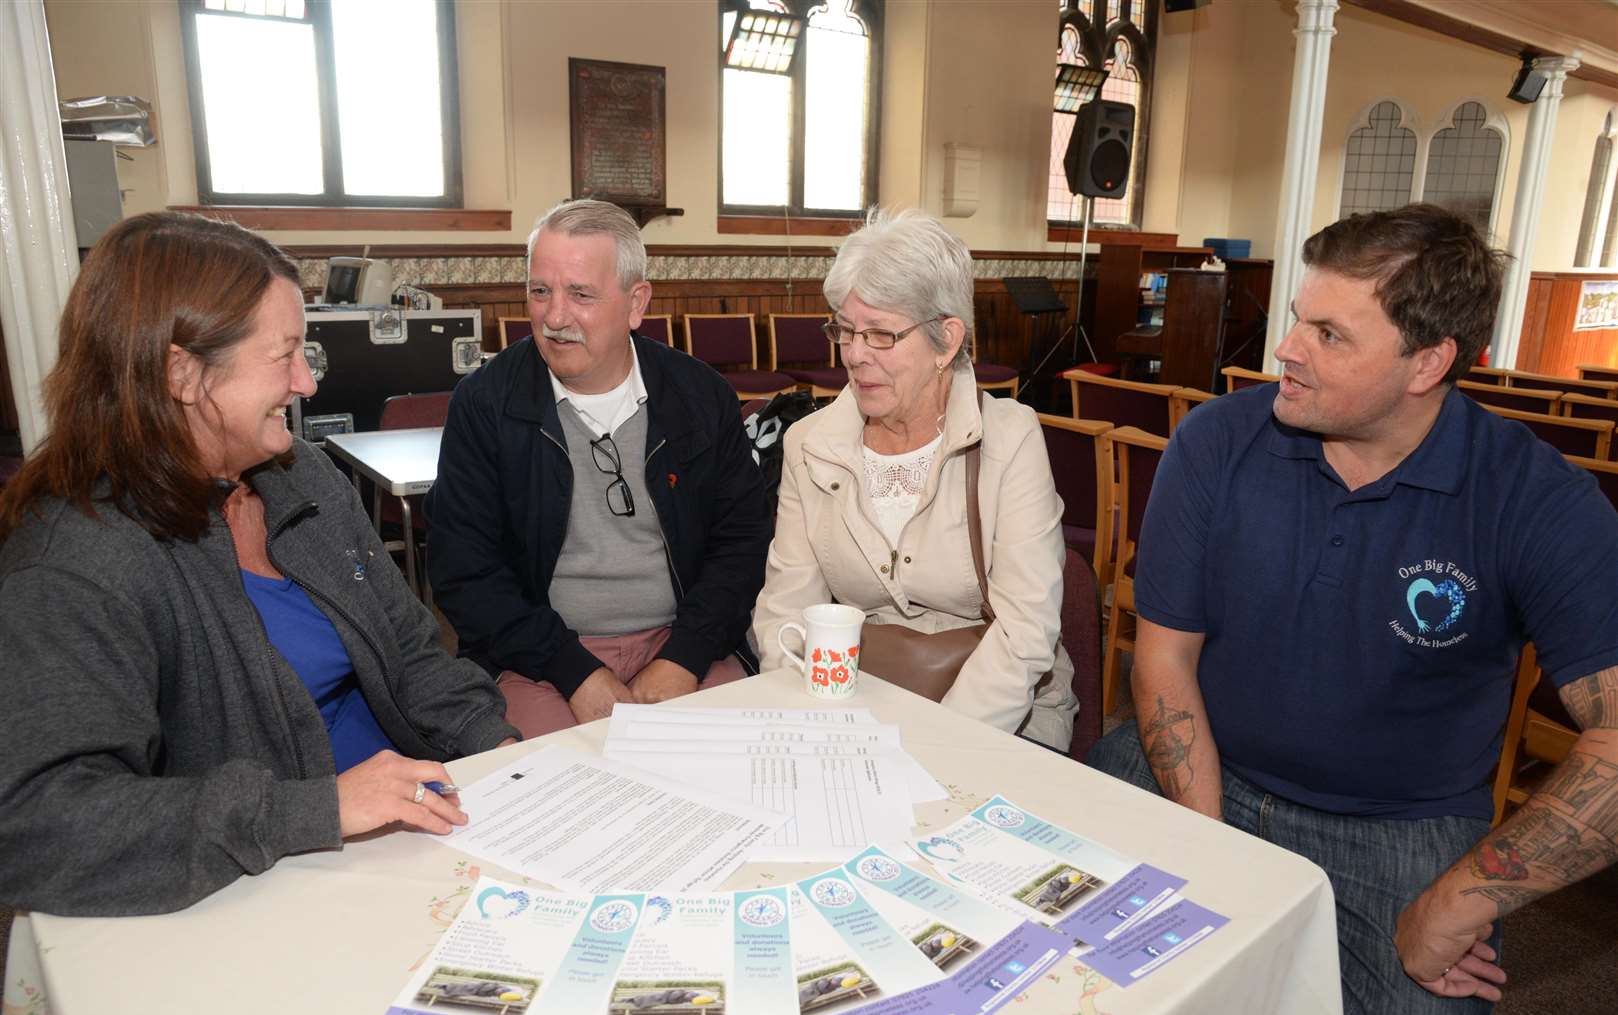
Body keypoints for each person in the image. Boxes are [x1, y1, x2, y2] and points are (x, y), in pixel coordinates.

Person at [1085, 203, 1618, 1015]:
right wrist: (1217, 856)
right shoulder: (1217, 442)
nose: (1286, 349)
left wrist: (1456, 903)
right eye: (1298, 317)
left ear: (1429, 362)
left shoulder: (1533, 498)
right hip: (1198, 767)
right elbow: (1165, 659)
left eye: (1329, 335)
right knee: (1057, 951)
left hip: (1396, 826)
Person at [0, 212, 519, 917]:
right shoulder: (76, 560)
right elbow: (40, 826)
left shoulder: (299, 474)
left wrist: (504, 756)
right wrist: (316, 810)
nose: (307, 382)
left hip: (408, 833)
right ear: (181, 372)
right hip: (255, 886)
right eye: (286, 355)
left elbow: (412, 653)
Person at [426, 199, 771, 737]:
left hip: (683, 640)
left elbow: (743, 544)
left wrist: (685, 655)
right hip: (538, 656)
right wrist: (572, 670)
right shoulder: (485, 404)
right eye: (540, 291)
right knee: (552, 793)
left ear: (636, 304)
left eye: (580, 294)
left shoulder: (700, 396)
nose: (554, 316)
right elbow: (464, 570)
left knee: (742, 764)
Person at [752, 208, 1075, 750]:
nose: (854, 355)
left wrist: (929, 748)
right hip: (852, 706)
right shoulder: (809, 444)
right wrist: (804, 726)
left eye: (881, 334)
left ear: (946, 341)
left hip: (994, 714)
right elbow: (785, 609)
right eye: (845, 330)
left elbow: (1024, 631)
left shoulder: (1011, 438)